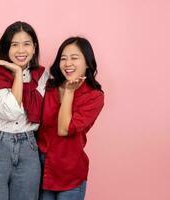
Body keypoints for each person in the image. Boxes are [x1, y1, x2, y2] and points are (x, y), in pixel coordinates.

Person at [0, 21, 48, 200]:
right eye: (14, 44)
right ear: (6, 47)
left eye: (26, 44)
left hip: (28, 147)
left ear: (34, 47)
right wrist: (17, 73)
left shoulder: (42, 75)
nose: (21, 50)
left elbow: (44, 113)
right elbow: (11, 112)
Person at [37, 37, 104, 200]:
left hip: (70, 173)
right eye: (63, 58)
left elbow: (64, 129)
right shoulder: (48, 87)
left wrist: (69, 92)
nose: (68, 64)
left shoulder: (94, 96)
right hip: (40, 170)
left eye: (74, 58)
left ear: (88, 63)